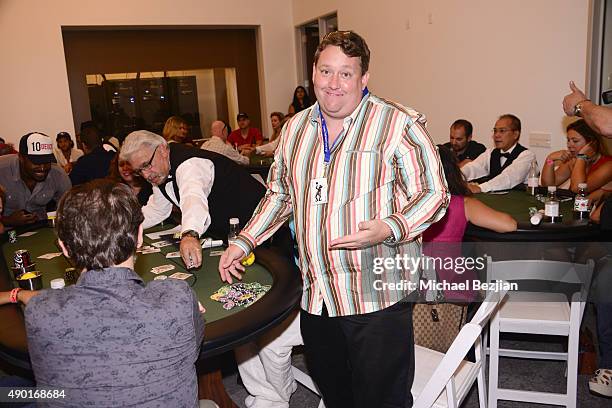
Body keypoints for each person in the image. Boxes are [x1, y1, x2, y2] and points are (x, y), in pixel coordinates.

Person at [219, 31, 448, 408]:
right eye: (327, 71)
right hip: (317, 294)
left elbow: (434, 195)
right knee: (335, 392)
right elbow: (280, 194)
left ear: (364, 78)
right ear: (313, 72)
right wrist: (245, 239)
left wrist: (389, 227)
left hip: (377, 296)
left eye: (346, 74)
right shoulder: (294, 129)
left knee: (383, 400)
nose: (334, 84)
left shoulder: (399, 124)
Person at [20, 179, 213, 407]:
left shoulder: (39, 311)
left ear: (63, 247)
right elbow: (194, 342)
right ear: (140, 235)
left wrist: (19, 294)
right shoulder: (178, 297)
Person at [120, 130, 266, 270]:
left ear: (163, 149)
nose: (146, 175)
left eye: (146, 165)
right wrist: (122, 225)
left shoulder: (190, 164)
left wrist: (189, 235)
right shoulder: (160, 172)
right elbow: (158, 209)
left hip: (261, 226)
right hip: (229, 233)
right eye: (139, 171)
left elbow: (193, 198)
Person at [564, 81, 612, 398]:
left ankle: (595, 351)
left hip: (601, 236)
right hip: (597, 230)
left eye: (576, 141)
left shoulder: (606, 163)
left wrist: (581, 104)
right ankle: (575, 334)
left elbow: (578, 194)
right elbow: (558, 186)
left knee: (597, 271)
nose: (571, 145)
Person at [423, 145, 516, 301]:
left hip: (415, 282)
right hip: (451, 286)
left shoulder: (405, 202)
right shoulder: (463, 204)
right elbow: (509, 225)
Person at [0, 132, 71, 227]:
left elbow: (70, 210)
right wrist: (7, 221)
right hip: (6, 233)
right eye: (36, 162)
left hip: (40, 230)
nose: (42, 168)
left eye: (46, 162)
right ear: (21, 158)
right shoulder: (2, 170)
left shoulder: (58, 174)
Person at [461, 114, 536, 193]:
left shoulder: (527, 156)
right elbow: (473, 167)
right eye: (495, 131)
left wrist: (481, 188)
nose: (496, 135)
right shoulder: (490, 153)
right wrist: (455, 178)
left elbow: (509, 178)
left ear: (515, 134)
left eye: (502, 131)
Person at [540, 119, 612, 200]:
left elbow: (577, 188)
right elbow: (548, 185)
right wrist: (550, 159)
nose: (570, 145)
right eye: (568, 140)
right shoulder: (573, 160)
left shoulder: (609, 165)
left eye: (575, 141)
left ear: (591, 144)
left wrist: (581, 157)